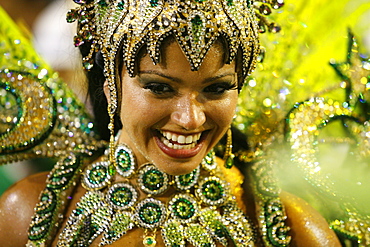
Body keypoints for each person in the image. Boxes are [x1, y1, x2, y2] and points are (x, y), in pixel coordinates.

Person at [0, 0, 342, 246]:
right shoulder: (27, 214)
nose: (189, 118)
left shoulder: (293, 228)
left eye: (217, 88)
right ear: (111, 84)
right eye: (160, 88)